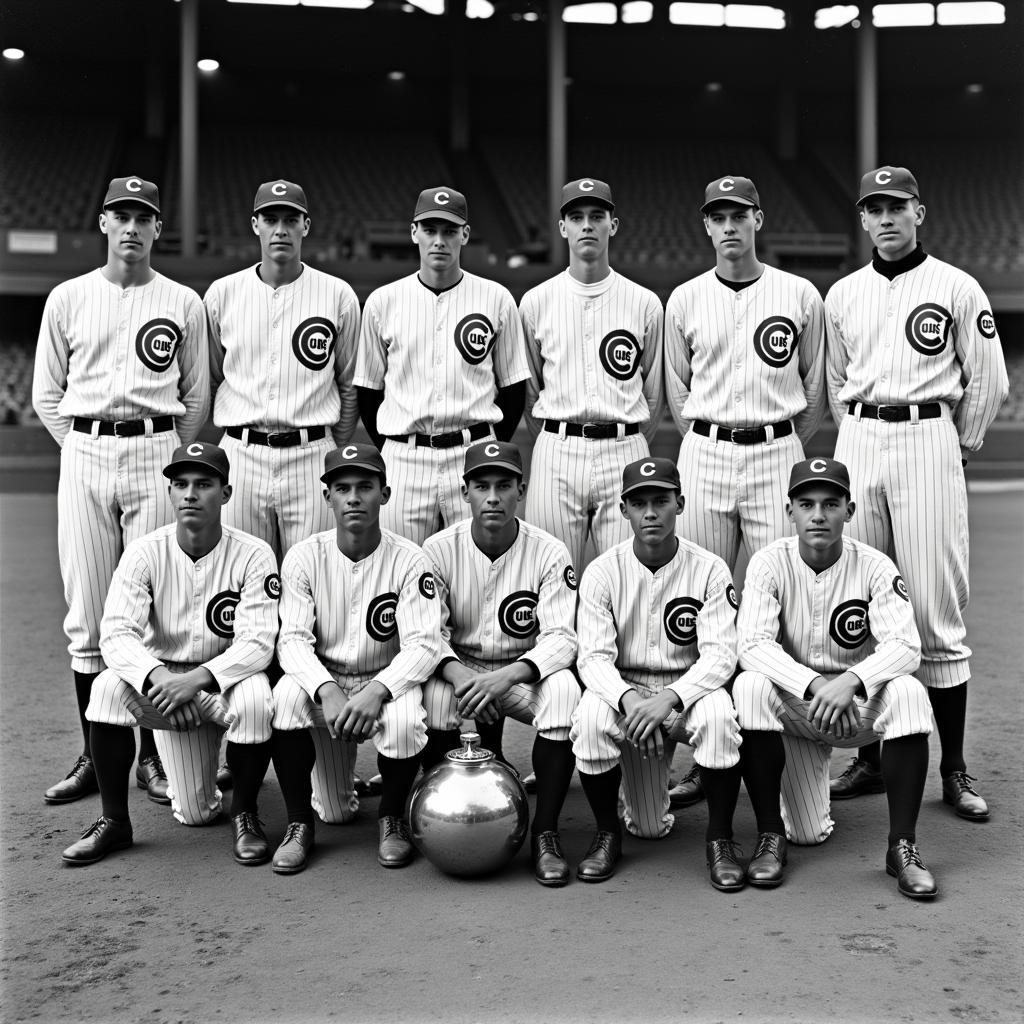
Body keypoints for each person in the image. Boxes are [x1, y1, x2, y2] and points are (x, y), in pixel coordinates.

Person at [824, 167, 1008, 819]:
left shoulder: (957, 286)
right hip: (862, 438)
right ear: (864, 220)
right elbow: (833, 379)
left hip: (929, 434)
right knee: (863, 606)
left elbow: (988, 381)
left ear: (919, 212)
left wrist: (956, 444)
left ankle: (952, 767)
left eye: (896, 205)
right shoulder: (843, 294)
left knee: (934, 612)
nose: (886, 217)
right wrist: (856, 438)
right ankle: (873, 758)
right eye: (874, 208)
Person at [33, 176, 209, 808]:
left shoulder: (182, 301)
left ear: (158, 228)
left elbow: (196, 399)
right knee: (86, 614)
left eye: (144, 216)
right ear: (103, 223)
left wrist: (155, 446)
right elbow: (46, 396)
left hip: (156, 448)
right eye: (121, 215)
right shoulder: (67, 296)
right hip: (84, 450)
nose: (132, 226)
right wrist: (85, 444)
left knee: (156, 614)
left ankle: (152, 760)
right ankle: (94, 754)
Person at [663, 175, 826, 811]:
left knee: (781, 601)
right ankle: (702, 752)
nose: (729, 226)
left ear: (759, 218)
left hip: (777, 450)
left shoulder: (798, 293)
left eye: (740, 214)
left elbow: (815, 388)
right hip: (704, 451)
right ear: (706, 226)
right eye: (717, 216)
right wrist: (709, 437)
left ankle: (779, 751)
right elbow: (676, 392)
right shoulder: (684, 299)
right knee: (696, 601)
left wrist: (777, 437)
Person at [60, 443, 279, 867]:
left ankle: (247, 813)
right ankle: (114, 822)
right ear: (170, 494)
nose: (191, 494)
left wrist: (195, 682)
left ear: (227, 493)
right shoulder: (144, 551)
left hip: (223, 685)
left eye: (204, 484)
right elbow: (116, 633)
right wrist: (159, 679)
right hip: (162, 686)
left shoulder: (254, 553)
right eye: (181, 484)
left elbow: (258, 643)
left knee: (257, 698)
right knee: (106, 689)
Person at [732, 457, 938, 899]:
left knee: (908, 693)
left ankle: (902, 845)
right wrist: (816, 685)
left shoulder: (876, 566)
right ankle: (771, 836)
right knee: (749, 687)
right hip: (798, 706)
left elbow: (906, 646)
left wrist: (852, 682)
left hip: (855, 708)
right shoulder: (769, 563)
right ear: (790, 511)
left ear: (851, 509)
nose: (819, 515)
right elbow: (751, 646)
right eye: (806, 504)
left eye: (831, 503)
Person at [571, 457, 746, 891]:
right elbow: (592, 658)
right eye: (639, 502)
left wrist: (668, 700)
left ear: (680, 504)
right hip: (625, 694)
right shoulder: (602, 571)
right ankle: (607, 832)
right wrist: (631, 702)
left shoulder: (709, 568)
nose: (650, 512)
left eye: (661, 501)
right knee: (593, 722)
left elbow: (721, 657)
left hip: (687, 693)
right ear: (624, 509)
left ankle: (720, 839)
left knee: (722, 717)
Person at [269, 444, 441, 874]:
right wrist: (324, 688)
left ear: (384, 494)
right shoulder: (304, 556)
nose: (353, 497)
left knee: (403, 721)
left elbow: (424, 644)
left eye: (365, 487)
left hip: (384, 680)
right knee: (288, 704)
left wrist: (378, 691)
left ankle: (392, 818)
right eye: (342, 488)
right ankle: (298, 824)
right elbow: (291, 640)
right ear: (327, 496)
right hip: (322, 680)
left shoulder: (409, 558)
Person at [422, 441, 580, 886]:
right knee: (434, 700)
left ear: (521, 491)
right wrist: (466, 679)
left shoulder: (549, 551)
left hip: (521, 671)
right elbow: (425, 635)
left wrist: (502, 679)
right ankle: (438, 816)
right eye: (482, 485)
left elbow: (562, 638)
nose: (493, 496)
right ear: (465, 492)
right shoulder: (436, 550)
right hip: (459, 669)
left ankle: (545, 832)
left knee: (566, 694)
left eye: (504, 485)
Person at [355, 186, 531, 546]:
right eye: (431, 230)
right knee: (399, 569)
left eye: (450, 231)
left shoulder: (496, 298)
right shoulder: (382, 302)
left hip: (472, 453)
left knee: (475, 568)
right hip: (405, 458)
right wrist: (395, 443)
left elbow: (513, 390)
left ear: (465, 234)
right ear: (414, 232)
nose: (439, 241)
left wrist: (487, 444)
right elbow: (368, 391)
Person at [205, 179, 360, 561]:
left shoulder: (337, 294)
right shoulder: (222, 293)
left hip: (312, 455)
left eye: (291, 219)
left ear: (306, 226)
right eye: (270, 219)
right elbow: (209, 377)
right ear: (255, 224)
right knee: (238, 579)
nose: (281, 229)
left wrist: (328, 443)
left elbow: (349, 383)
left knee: (313, 579)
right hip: (242, 454)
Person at [520, 178, 664, 574]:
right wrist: (555, 432)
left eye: (596, 216)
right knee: (547, 574)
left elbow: (652, 392)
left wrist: (626, 434)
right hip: (556, 447)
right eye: (577, 216)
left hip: (623, 446)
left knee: (626, 577)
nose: (587, 225)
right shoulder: (535, 301)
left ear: (612, 225)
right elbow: (532, 391)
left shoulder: (644, 302)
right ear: (562, 226)